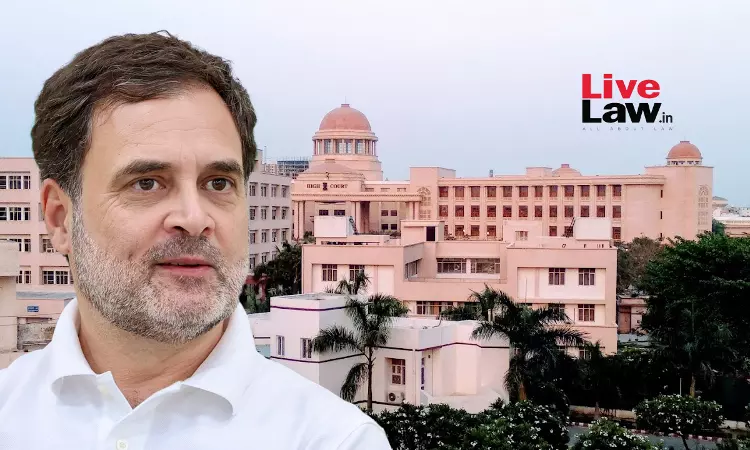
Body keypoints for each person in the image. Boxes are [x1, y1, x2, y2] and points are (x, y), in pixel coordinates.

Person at [0, 31, 391, 449]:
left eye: (218, 182)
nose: (194, 218)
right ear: (60, 218)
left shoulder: (333, 439)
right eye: (147, 183)